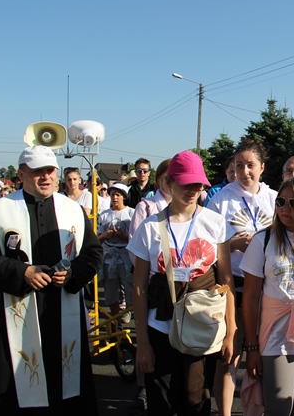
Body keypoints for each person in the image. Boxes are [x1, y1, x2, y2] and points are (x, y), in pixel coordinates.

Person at [0, 146, 103, 415]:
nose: (45, 177)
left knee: (66, 387)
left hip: (63, 309)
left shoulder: (73, 210)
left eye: (50, 170)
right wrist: (23, 272)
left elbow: (93, 253)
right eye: (37, 171)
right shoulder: (0, 209)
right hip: (17, 309)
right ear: (21, 175)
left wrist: (73, 273)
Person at [127, 150, 236, 416]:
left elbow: (226, 280)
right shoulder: (149, 227)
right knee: (161, 403)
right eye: (187, 183)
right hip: (159, 326)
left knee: (196, 399)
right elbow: (139, 287)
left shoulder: (214, 223)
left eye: (198, 184)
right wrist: (143, 343)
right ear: (169, 182)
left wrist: (230, 331)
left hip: (201, 324)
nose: (193, 190)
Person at [206, 139, 278, 415]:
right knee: (229, 357)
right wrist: (233, 244)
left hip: (268, 289)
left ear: (262, 167)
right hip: (234, 287)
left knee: (267, 358)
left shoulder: (274, 198)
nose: (244, 171)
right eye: (239, 166)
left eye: (250, 165)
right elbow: (205, 243)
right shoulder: (220, 199)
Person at [241, 177, 294, 416]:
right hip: (275, 335)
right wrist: (251, 346)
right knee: (279, 407)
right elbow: (250, 297)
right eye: (280, 202)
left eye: (293, 203)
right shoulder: (263, 240)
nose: (285, 208)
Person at [126, 158, 172, 416]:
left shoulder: (190, 206)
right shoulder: (146, 206)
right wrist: (155, 269)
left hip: (177, 284)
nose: (170, 182)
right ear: (159, 180)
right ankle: (143, 387)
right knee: (147, 334)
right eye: (166, 178)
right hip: (154, 280)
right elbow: (136, 248)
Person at [97, 182, 134, 320]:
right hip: (109, 257)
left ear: (124, 196)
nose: (115, 198)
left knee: (129, 288)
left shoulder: (131, 213)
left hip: (125, 257)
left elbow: (135, 239)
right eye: (112, 194)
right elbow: (98, 239)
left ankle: (128, 312)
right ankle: (115, 319)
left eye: (118, 195)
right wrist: (105, 235)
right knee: (110, 290)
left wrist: (122, 236)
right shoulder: (104, 215)